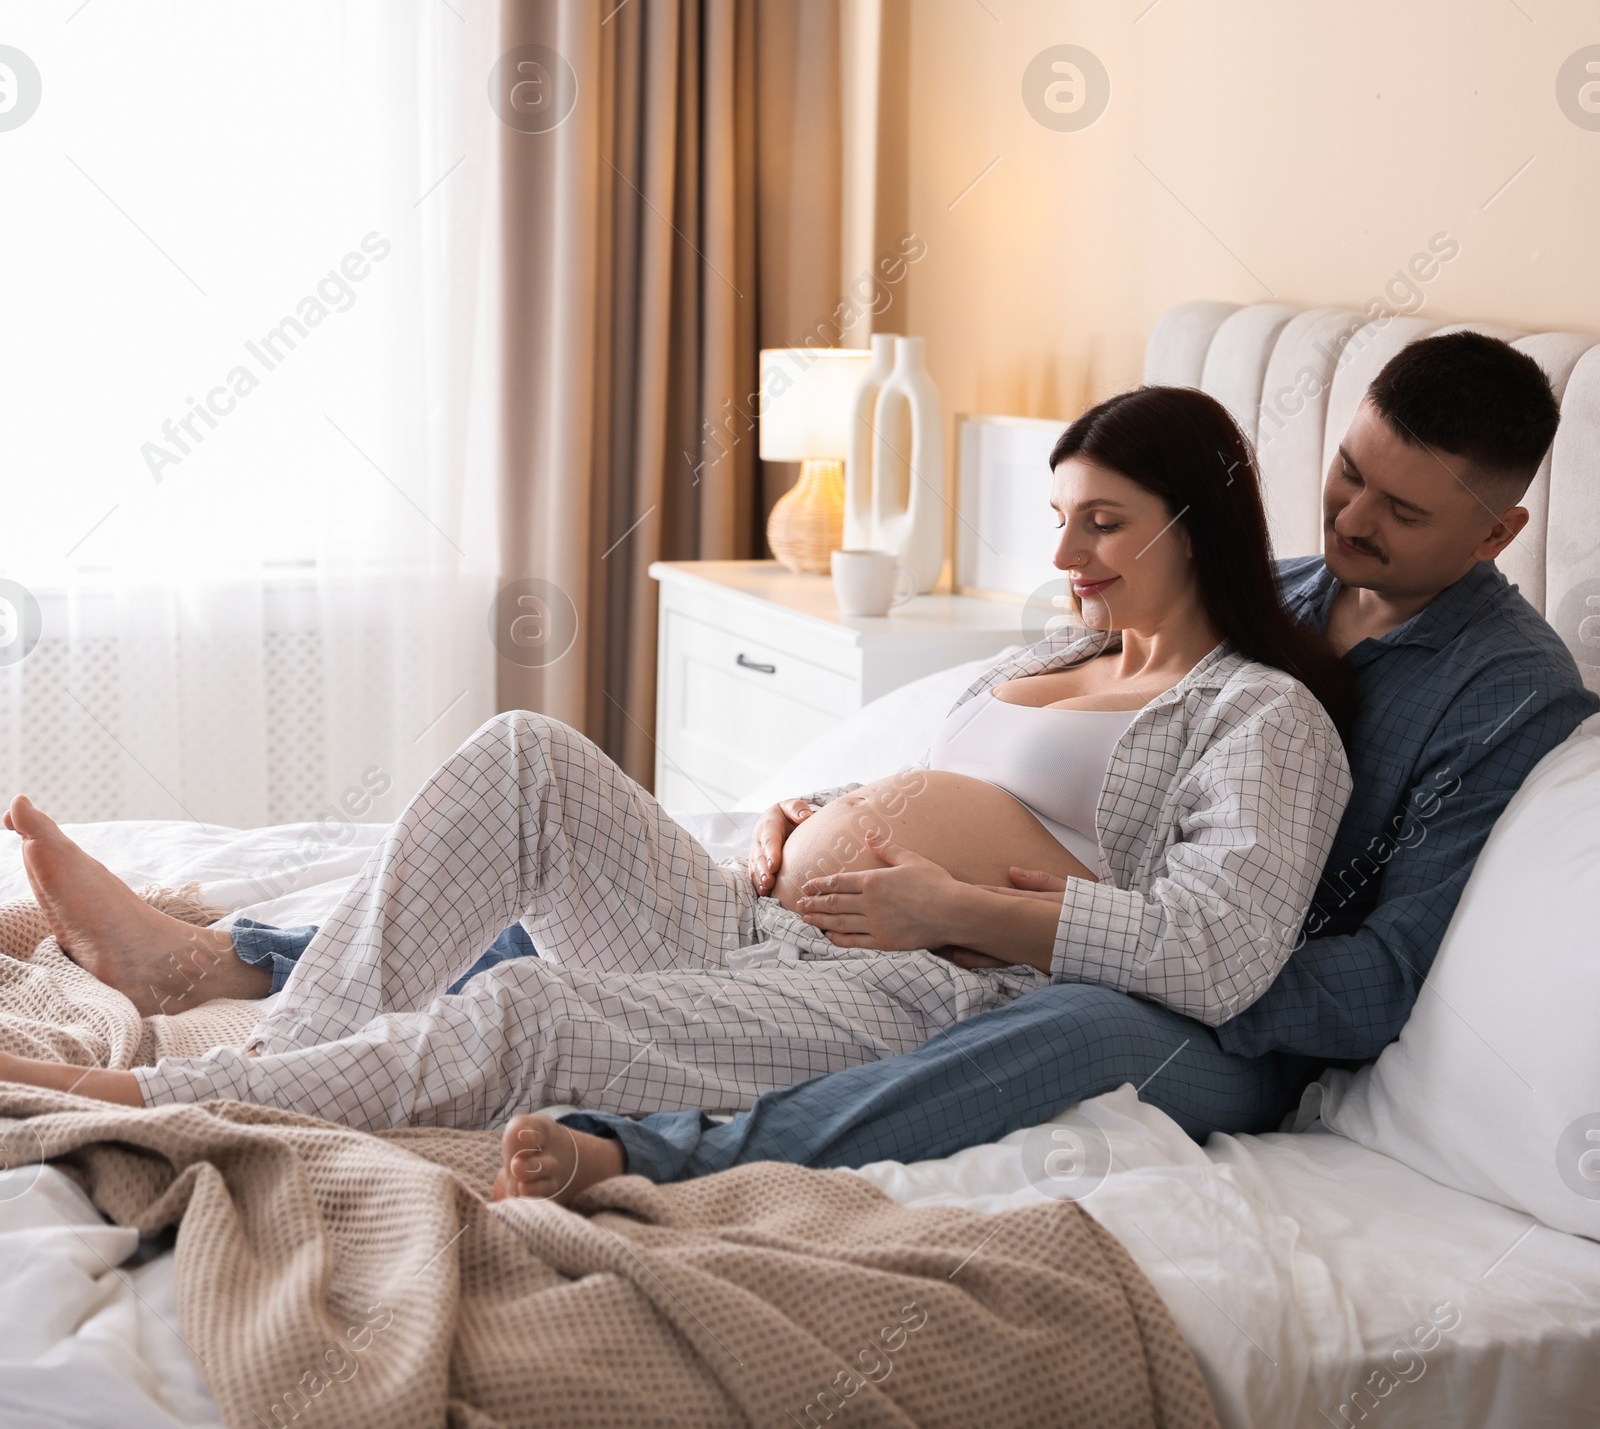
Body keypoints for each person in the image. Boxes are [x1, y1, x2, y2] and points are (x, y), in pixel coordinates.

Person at [0, 387, 1351, 1157]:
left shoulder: (1259, 716)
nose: (1070, 555)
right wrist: (818, 813)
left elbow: (1219, 950)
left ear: (1201, 517)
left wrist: (953, 906)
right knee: (524, 753)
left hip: (915, 984)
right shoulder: (1065, 646)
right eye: (1061, 520)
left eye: (1104, 522)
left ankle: (156, 1103)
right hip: (761, 917)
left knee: (531, 1011)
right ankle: (260, 1035)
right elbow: (971, 791)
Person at [490, 329, 1598, 1205]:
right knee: (621, 888)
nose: (1351, 518)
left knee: (1065, 1032)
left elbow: (1379, 976)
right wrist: (831, 812)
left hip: (1232, 1025)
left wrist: (1117, 947)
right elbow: (1075, 751)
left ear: (1500, 530)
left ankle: (662, 1156)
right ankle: (349, 968)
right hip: (1066, 934)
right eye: (1347, 473)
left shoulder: (1504, 694)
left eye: (1401, 510)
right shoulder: (1273, 585)